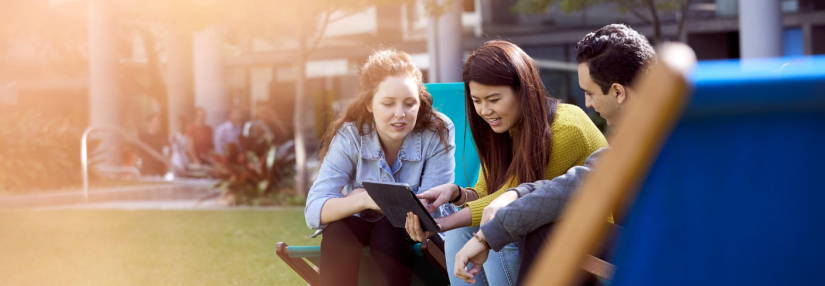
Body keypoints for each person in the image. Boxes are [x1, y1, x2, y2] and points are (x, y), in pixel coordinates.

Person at [453, 24, 657, 285]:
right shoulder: (663, 123)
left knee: (545, 228)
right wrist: (513, 195)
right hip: (649, 242)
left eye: (590, 92)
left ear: (617, 92)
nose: (588, 103)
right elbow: (569, 184)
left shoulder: (646, 137)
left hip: (665, 250)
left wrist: (486, 236)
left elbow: (571, 189)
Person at [405, 40, 609, 286]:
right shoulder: (504, 127)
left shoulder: (565, 127)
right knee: (464, 231)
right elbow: (486, 191)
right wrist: (457, 194)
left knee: (499, 229)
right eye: (477, 101)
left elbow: (512, 202)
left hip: (591, 237)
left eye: (493, 99)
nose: (484, 110)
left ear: (524, 90)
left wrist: (440, 224)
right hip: (541, 233)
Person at [304, 49, 457, 286]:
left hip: (419, 237)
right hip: (362, 227)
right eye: (388, 103)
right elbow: (314, 210)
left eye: (410, 103)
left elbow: (428, 212)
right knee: (338, 231)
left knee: (390, 231)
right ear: (369, 103)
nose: (400, 114)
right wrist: (364, 200)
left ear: (420, 102)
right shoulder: (351, 135)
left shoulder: (437, 131)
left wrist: (359, 199)